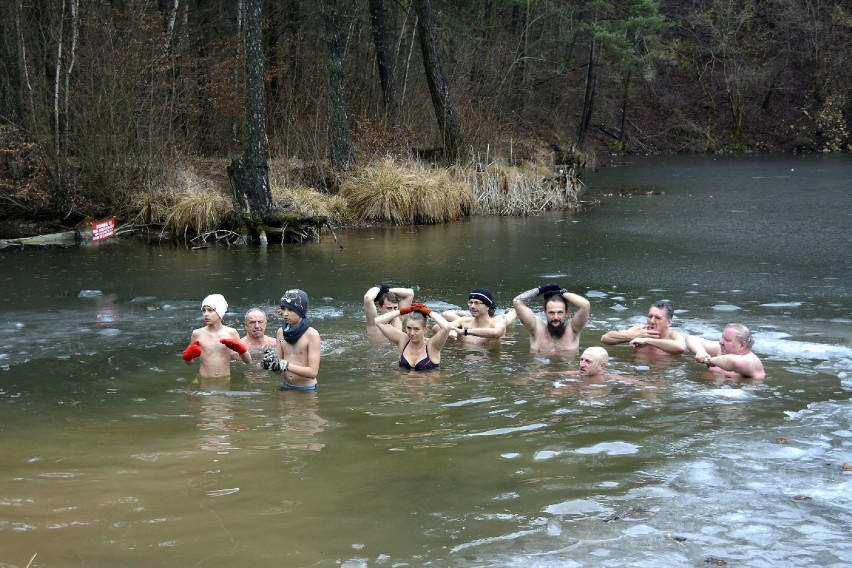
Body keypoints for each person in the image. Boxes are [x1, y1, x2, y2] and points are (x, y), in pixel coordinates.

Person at [261, 289, 321, 391]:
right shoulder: (281, 332)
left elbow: (313, 372)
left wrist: (285, 365)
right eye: (283, 309)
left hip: (307, 388)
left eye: (290, 310)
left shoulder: (312, 335)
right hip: (286, 385)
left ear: (300, 311)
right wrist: (271, 364)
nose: (285, 313)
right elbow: (278, 371)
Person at [181, 294, 251, 379]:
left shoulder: (231, 333)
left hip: (224, 380)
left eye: (210, 310)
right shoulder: (197, 334)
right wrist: (188, 357)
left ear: (220, 312)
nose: (206, 314)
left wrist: (241, 350)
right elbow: (190, 363)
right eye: (204, 310)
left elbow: (247, 361)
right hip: (205, 381)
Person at [513, 283, 591, 353]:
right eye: (551, 313)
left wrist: (562, 293)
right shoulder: (536, 328)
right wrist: (540, 289)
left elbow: (585, 305)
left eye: (560, 312)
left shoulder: (573, 329)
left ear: (567, 313)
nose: (556, 317)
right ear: (545, 312)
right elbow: (517, 301)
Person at [374, 302, 452, 371]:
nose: (411, 333)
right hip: (403, 385)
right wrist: (405, 310)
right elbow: (378, 321)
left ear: (425, 329)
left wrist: (429, 312)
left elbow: (447, 328)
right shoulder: (403, 340)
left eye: (416, 329)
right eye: (408, 328)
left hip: (427, 386)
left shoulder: (432, 345)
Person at [600, 300, 686, 356]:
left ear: (669, 322)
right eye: (650, 316)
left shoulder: (673, 336)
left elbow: (681, 347)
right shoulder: (639, 330)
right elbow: (605, 338)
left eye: (658, 318)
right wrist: (632, 336)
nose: (652, 321)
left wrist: (647, 341)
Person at [442, 288, 516, 347]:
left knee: (507, 317)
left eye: (477, 303)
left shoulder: (497, 322)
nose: (472, 306)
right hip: (466, 359)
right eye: (470, 302)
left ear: (488, 307)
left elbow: (497, 332)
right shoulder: (464, 321)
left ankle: (511, 310)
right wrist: (450, 330)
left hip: (488, 361)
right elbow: (437, 327)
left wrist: (464, 331)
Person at [685, 323, 765, 379]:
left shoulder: (753, 361)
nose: (721, 342)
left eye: (727, 340)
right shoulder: (719, 349)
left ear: (742, 345)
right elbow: (690, 338)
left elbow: (733, 362)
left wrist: (709, 360)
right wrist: (701, 352)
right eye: (722, 337)